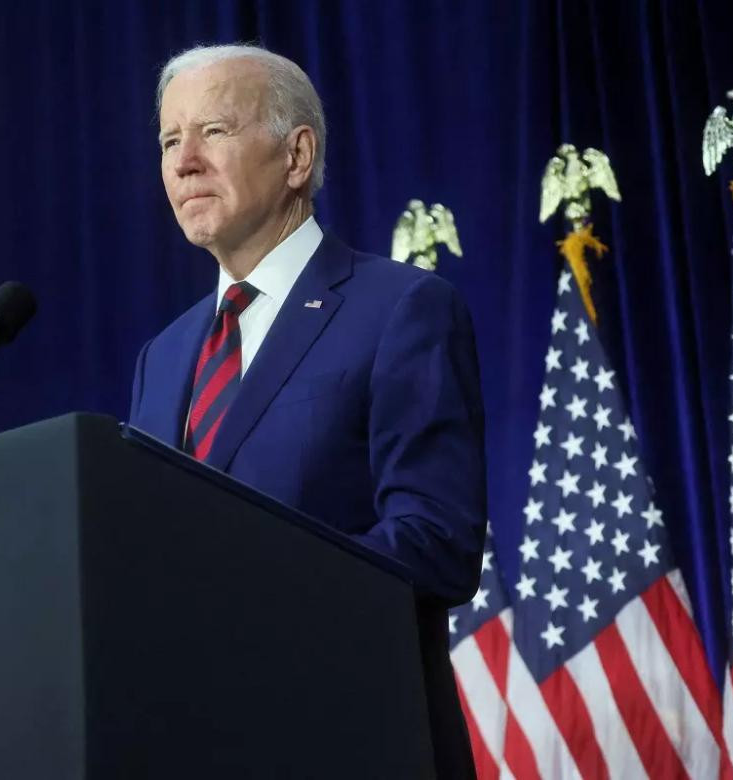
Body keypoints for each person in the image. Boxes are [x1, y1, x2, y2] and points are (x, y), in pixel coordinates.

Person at [129, 43, 486, 777]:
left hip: (350, 734)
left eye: (214, 132)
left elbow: (437, 542)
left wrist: (251, 584)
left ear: (297, 156)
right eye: (170, 141)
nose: (184, 161)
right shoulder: (163, 357)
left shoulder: (400, 310)